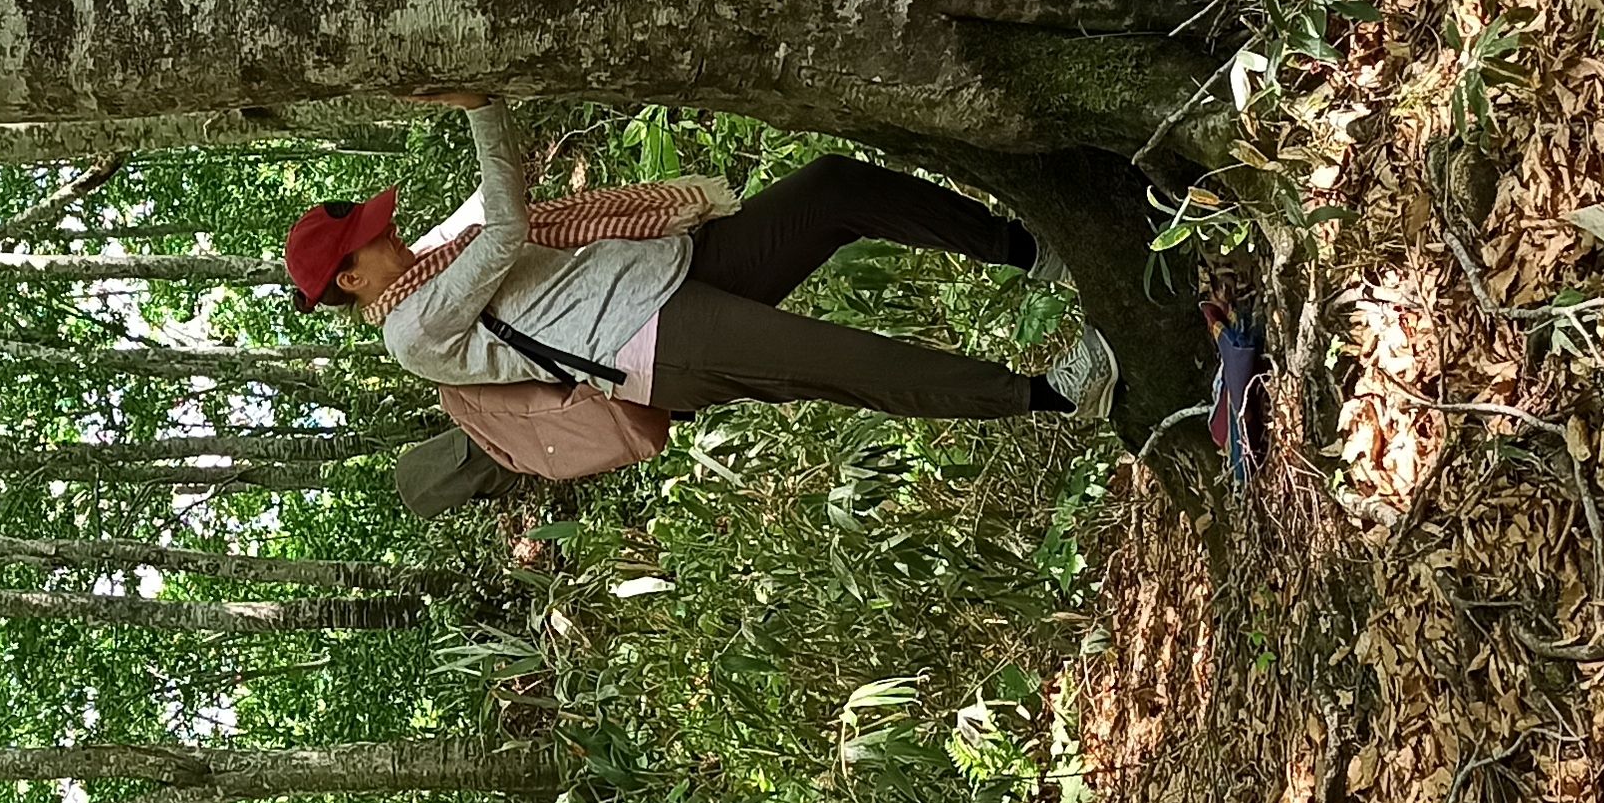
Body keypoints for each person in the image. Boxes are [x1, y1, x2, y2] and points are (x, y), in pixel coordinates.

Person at [285, 105, 1109, 501]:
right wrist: (481, 110)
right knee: (848, 362)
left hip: (681, 267)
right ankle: (1056, 394)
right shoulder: (411, 329)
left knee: (831, 189)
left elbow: (497, 203)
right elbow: (502, 231)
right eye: (371, 236)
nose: (388, 231)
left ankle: (1034, 252)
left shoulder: (432, 261)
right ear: (351, 280)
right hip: (657, 344)